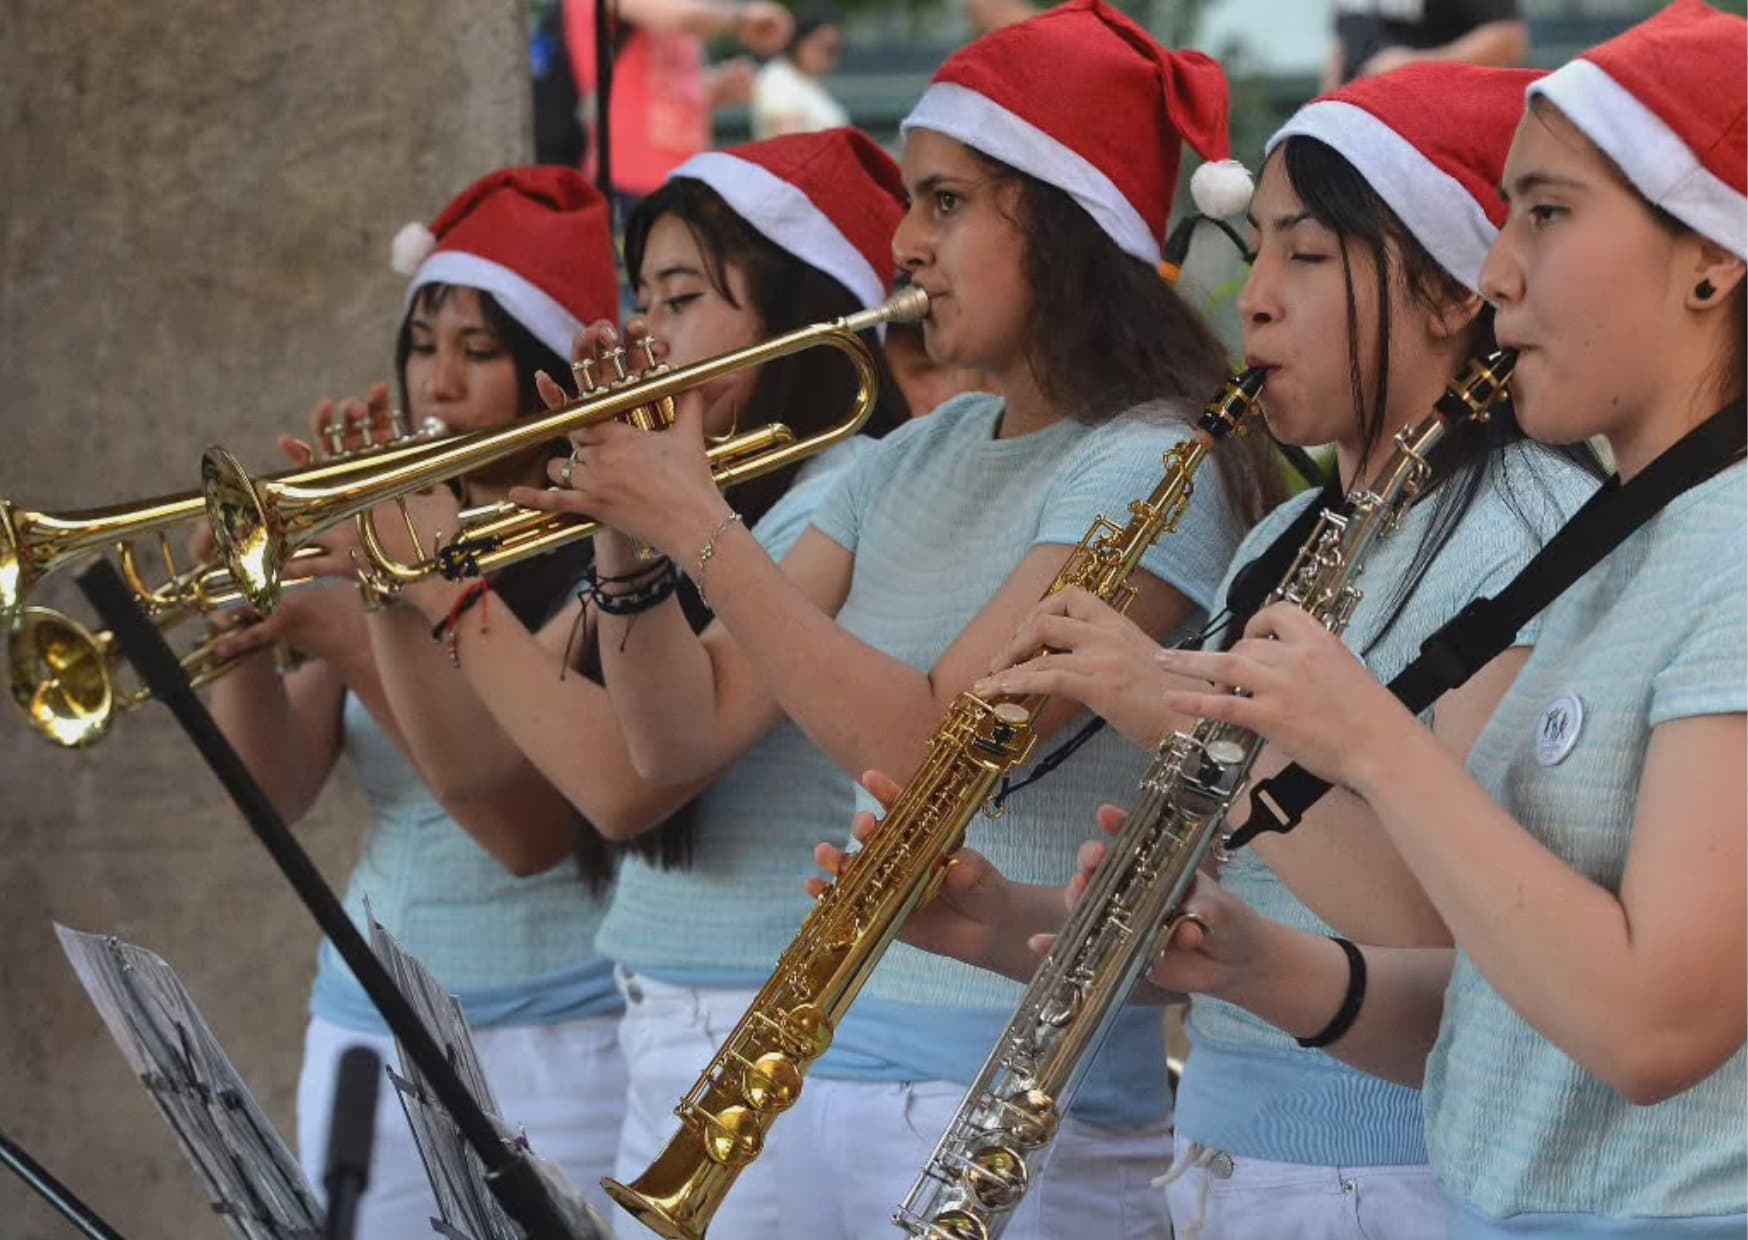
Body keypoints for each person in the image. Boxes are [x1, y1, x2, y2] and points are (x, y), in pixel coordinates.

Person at [516, 4, 1284, 1235]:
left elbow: (945, 749)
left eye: (943, 203)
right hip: (828, 1065)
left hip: (1022, 1114)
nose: (901, 242)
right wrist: (630, 530)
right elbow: (676, 739)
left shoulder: (1152, 462)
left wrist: (696, 519)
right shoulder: (912, 451)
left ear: (1061, 219)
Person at [828, 57, 1604, 1239]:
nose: (1251, 298)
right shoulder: (1284, 536)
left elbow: (1443, 919)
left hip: (1406, 1179)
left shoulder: (1523, 531)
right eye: (1260, 251)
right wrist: (997, 922)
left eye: (1304, 253)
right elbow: (1221, 933)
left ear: (1452, 293)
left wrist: (1173, 719)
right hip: (1228, 1160)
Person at [1129, 4, 1745, 1235]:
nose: (1495, 270)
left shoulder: (1725, 547)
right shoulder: (1616, 546)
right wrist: (1263, 967)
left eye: (1546, 212)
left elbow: (1647, 1028)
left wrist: (1369, 745)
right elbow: (1508, 1028)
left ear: (1711, 260)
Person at [343, 128, 911, 1240]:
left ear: (798, 311)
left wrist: (451, 588)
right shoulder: (717, 499)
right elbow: (490, 779)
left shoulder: (833, 489)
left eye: (683, 296)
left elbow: (620, 784)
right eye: (642, 296)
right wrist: (392, 586)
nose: (646, 334)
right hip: (671, 1015)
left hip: (771, 1028)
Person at [204, 167, 628, 1233]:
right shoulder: (383, 531)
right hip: (366, 1016)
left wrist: (360, 631)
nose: (434, 383)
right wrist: (243, 645)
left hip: (563, 1037)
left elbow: (516, 817)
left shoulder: (603, 548)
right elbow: (275, 792)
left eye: (478, 352)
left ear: (544, 375)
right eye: (421, 344)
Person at [563, 0, 795, 209]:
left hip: (685, 180)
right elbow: (680, 17)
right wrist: (742, 19)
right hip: (629, 182)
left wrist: (718, 87)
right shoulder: (677, 12)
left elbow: (668, 88)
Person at [1324, 0, 1529, 92]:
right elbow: (1345, 41)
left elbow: (1508, 39)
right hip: (1363, 126)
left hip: (1439, 131)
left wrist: (1415, 64)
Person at [752, 8, 850, 140]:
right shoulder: (779, 77)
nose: (827, 56)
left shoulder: (809, 83)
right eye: (821, 46)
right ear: (800, 41)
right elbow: (790, 142)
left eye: (834, 50)